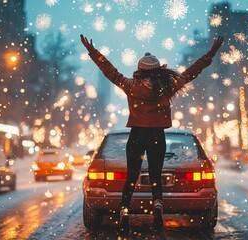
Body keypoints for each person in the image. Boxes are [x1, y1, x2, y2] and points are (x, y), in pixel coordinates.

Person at [80, 34, 224, 232]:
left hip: (137, 135)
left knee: (132, 174)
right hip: (157, 135)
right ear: (158, 71)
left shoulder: (131, 86)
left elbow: (110, 71)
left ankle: (124, 210)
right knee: (155, 173)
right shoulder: (167, 86)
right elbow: (192, 72)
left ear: (139, 70)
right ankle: (157, 205)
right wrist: (211, 53)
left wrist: (93, 52)